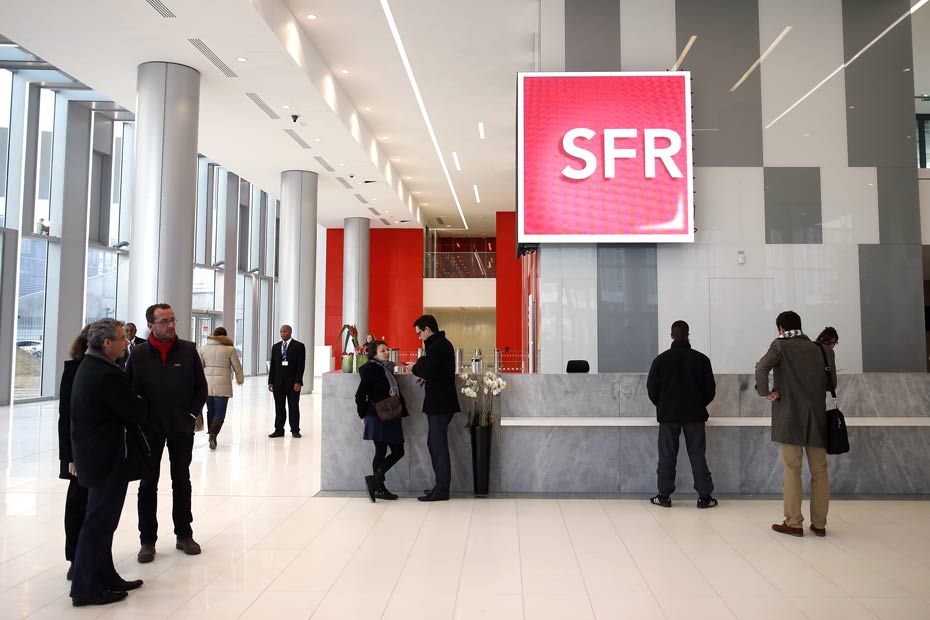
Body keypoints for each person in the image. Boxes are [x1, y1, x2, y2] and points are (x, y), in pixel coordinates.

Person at [69, 319, 147, 606]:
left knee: (103, 524)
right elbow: (135, 411)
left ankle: (106, 576)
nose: (126, 342)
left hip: (98, 457)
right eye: (121, 338)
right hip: (106, 459)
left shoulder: (91, 366)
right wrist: (140, 399)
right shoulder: (104, 374)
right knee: (98, 525)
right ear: (106, 343)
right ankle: (85, 589)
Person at [126, 303, 208, 562]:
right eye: (164, 321)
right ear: (150, 325)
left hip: (180, 428)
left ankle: (184, 534)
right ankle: (147, 540)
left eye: (173, 320)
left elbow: (201, 388)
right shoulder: (138, 354)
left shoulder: (188, 350)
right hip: (149, 430)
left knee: (181, 480)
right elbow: (128, 390)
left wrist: (191, 415)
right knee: (148, 484)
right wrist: (139, 419)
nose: (171, 325)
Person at [755, 310, 836, 538]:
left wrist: (766, 393)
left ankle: (793, 522)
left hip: (790, 418)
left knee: (792, 470)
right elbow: (831, 384)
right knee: (820, 471)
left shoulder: (780, 346)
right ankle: (819, 524)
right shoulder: (823, 349)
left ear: (781, 328)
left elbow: (761, 367)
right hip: (817, 418)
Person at [646, 320, 718, 509]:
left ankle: (664, 496)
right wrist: (698, 404)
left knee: (667, 455)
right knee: (697, 455)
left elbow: (652, 389)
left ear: (672, 336)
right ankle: (704, 497)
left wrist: (663, 405)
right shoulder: (702, 360)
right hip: (695, 415)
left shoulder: (660, 360)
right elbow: (710, 390)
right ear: (688, 335)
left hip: (668, 415)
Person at [411, 315, 460, 502]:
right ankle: (439, 486)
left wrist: (417, 365)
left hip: (440, 404)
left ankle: (442, 490)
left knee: (438, 446)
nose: (419, 337)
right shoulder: (439, 344)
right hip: (441, 403)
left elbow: (428, 370)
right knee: (434, 445)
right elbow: (435, 372)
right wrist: (424, 370)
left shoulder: (437, 346)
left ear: (427, 329)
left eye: (419, 333)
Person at [355, 340, 407, 501]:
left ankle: (375, 482)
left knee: (395, 451)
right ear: (374, 354)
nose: (386, 352)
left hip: (389, 415)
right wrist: (362, 414)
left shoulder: (387, 368)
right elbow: (360, 394)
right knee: (384, 451)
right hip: (377, 416)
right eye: (383, 350)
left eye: (387, 350)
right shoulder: (370, 369)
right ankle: (379, 487)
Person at [59, 325, 90, 581]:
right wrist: (69, 456)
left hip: (104, 450)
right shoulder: (74, 370)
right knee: (78, 503)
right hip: (79, 452)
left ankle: (93, 556)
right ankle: (75, 557)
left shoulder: (117, 367)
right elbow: (66, 417)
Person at [199, 326, 244, 450]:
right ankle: (214, 434)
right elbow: (237, 367)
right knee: (220, 413)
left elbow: (199, 367)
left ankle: (210, 435)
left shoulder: (204, 348)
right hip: (223, 385)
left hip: (207, 385)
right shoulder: (230, 349)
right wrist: (240, 380)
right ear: (225, 336)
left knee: (210, 411)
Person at [267, 325, 305, 438]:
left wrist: (298, 381)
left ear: (290, 332)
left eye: (284, 331)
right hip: (278, 383)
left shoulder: (299, 346)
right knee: (279, 407)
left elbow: (301, 366)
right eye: (281, 332)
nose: (282, 333)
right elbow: (273, 365)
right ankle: (279, 429)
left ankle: (295, 430)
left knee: (293, 406)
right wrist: (270, 381)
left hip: (293, 383)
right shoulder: (276, 347)